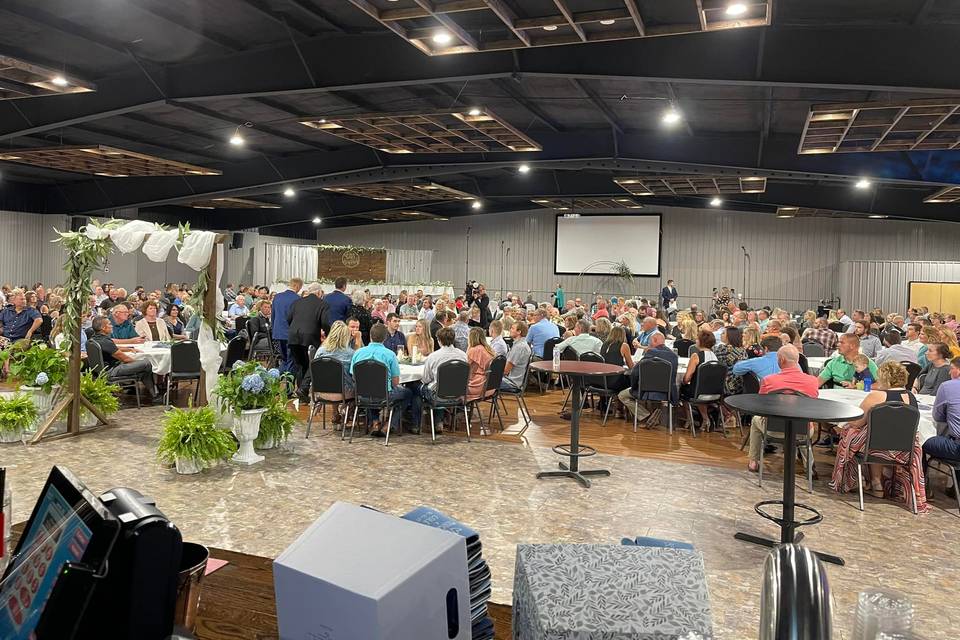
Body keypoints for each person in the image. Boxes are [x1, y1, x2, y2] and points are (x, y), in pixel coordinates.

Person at [829, 361, 926, 511]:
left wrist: (842, 427)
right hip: (904, 450)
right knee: (878, 436)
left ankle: (870, 482)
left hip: (874, 448)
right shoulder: (911, 397)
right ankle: (877, 483)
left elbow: (856, 422)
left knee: (851, 431)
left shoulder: (877, 396)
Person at [744, 345, 820, 472]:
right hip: (803, 430)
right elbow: (812, 407)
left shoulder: (768, 381)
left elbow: (761, 406)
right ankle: (809, 467)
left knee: (756, 420)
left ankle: (754, 462)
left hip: (772, 429)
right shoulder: (812, 381)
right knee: (802, 421)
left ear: (782, 360)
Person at [350, 323, 417, 436]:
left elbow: (353, 376)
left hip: (362, 394)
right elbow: (395, 382)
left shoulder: (358, 353)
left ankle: (375, 421)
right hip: (384, 394)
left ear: (370, 336)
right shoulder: (390, 355)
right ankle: (390, 424)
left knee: (370, 387)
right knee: (408, 393)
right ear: (385, 338)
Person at [90, 316, 157, 402]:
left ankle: (152, 393)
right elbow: (126, 359)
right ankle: (154, 394)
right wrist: (138, 363)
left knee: (144, 369)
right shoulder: (105, 341)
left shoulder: (94, 339)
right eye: (109, 324)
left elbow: (113, 347)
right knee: (147, 363)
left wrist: (129, 349)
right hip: (111, 372)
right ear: (103, 328)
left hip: (100, 371)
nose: (112, 326)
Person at [617, 332, 678, 423]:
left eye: (649, 342)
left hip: (646, 391)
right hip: (667, 392)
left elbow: (635, 373)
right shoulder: (674, 356)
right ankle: (654, 416)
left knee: (622, 395)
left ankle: (646, 416)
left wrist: (634, 386)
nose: (648, 345)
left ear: (655, 340)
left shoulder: (650, 353)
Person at [923, 356, 960, 498]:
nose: (950, 373)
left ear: (957, 371)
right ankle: (955, 487)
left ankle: (922, 488)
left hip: (955, 448)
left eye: (951, 369)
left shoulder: (948, 386)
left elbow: (937, 416)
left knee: (920, 439)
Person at [313, 320, 356, 424]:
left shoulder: (320, 351)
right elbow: (356, 374)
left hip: (321, 392)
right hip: (344, 394)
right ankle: (347, 412)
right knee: (354, 384)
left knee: (332, 378)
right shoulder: (350, 353)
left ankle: (335, 412)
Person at [287, 283, 326, 396]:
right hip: (310, 336)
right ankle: (303, 388)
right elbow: (324, 322)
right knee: (313, 362)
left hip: (293, 335)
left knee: (300, 364)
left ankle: (301, 391)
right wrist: (327, 335)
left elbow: (288, 318)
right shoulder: (322, 304)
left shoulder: (297, 302)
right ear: (319, 293)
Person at [271, 277, 303, 373]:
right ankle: (289, 385)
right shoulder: (298, 299)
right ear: (297, 286)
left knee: (284, 359)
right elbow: (299, 319)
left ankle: (280, 380)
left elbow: (273, 315)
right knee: (291, 360)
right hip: (291, 333)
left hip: (278, 332)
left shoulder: (277, 297)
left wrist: (274, 329)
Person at [600, 324, 633, 396]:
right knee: (633, 380)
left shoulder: (604, 344)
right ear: (623, 335)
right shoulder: (624, 345)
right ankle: (623, 403)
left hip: (602, 380)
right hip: (615, 381)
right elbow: (631, 366)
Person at [714, 326, 748, 395]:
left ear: (729, 336)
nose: (721, 335)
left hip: (727, 385)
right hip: (741, 384)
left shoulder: (722, 349)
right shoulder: (742, 350)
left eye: (723, 333)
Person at [465, 327, 495, 401]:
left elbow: (465, 369)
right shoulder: (488, 349)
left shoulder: (473, 350)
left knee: (452, 386)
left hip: (477, 386)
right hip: (489, 386)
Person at [501, 321, 531, 392]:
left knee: (482, 380)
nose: (510, 330)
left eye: (512, 328)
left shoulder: (519, 347)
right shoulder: (521, 344)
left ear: (519, 332)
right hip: (512, 380)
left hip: (511, 383)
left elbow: (505, 370)